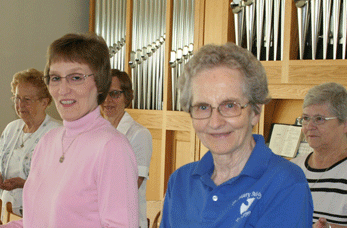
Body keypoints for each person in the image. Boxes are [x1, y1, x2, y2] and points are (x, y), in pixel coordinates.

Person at [160, 43, 313, 227]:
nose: (215, 122)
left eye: (230, 105)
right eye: (202, 107)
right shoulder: (180, 181)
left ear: (255, 112)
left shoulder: (285, 182)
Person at [1, 33, 138, 227]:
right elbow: (35, 222)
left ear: (99, 84)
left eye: (75, 77)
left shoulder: (111, 147)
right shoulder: (48, 140)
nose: (63, 89)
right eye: (55, 78)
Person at [0, 68, 61, 217]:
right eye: (17, 98)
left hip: (39, 215)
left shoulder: (57, 133)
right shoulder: (11, 129)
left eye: (27, 99)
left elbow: (61, 185)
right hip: (7, 214)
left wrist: (24, 183)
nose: (20, 104)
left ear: (44, 102)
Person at [100, 69, 153, 228]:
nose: (108, 100)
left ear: (127, 97)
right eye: (103, 94)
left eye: (115, 94)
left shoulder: (138, 134)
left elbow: (131, 185)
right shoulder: (95, 133)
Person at [291, 82, 347, 228]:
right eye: (305, 118)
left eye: (319, 119)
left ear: (345, 124)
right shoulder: (291, 169)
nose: (309, 126)